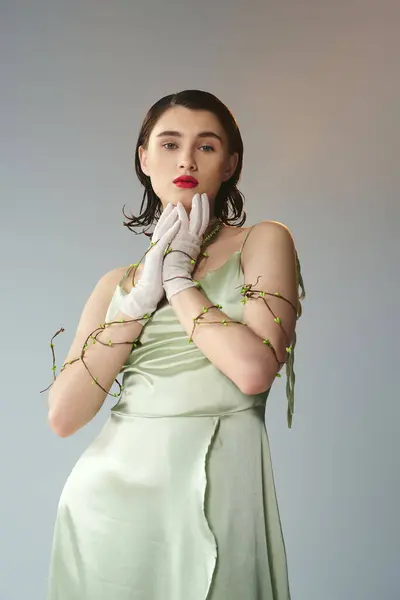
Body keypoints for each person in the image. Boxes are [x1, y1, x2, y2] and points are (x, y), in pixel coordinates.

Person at [43, 89, 306, 600]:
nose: (186, 158)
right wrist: (138, 299)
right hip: (105, 507)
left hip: (219, 488)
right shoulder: (116, 283)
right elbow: (64, 416)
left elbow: (253, 372)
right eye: (168, 144)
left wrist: (180, 282)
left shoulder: (264, 241)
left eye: (206, 146)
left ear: (230, 162)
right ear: (144, 159)